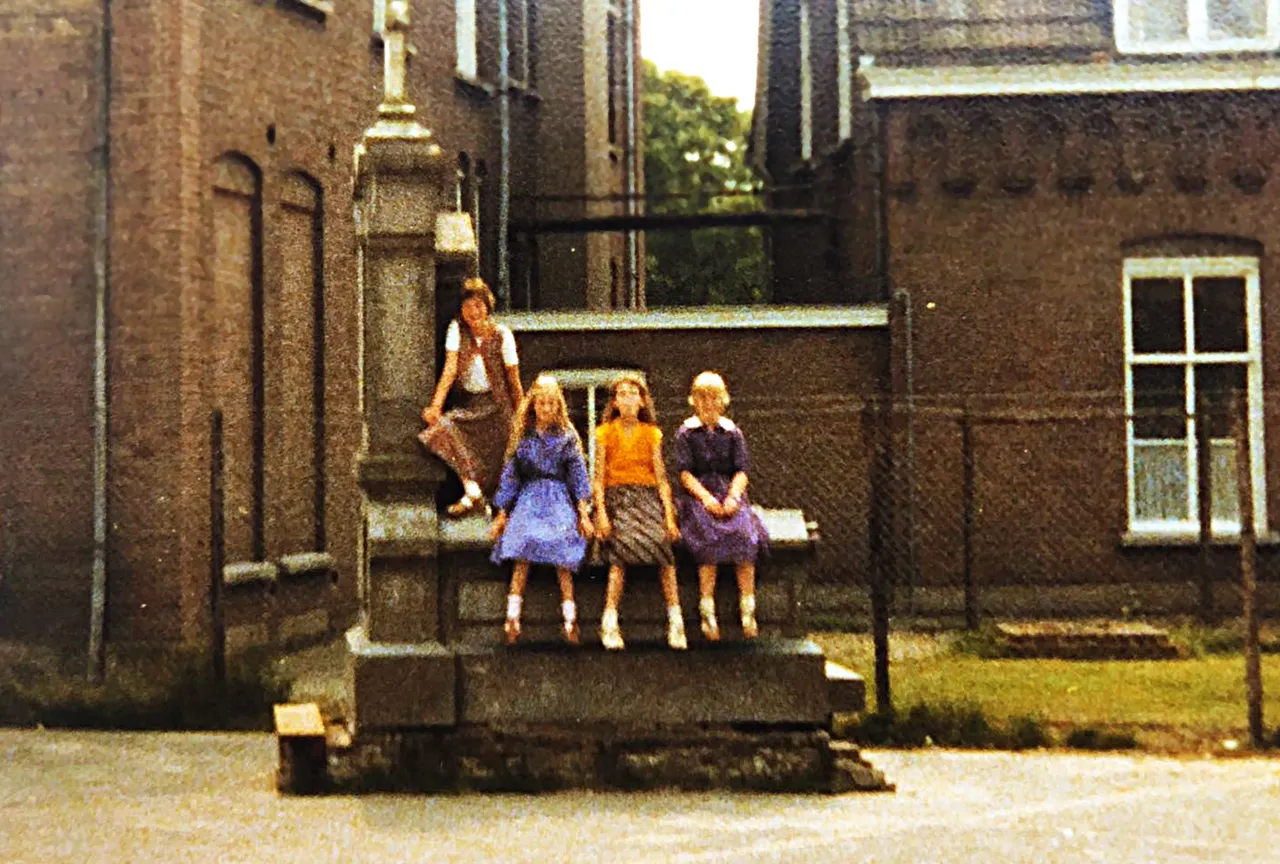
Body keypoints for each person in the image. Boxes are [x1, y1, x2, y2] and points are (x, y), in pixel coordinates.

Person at [490, 374, 594, 646]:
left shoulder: (567, 438)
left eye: (552, 404)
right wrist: (502, 513)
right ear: (533, 405)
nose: (547, 409)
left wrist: (583, 511)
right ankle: (512, 616)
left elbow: (578, 475)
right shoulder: (523, 437)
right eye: (542, 403)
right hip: (530, 499)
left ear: (558, 406)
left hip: (558, 497)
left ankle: (570, 617)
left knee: (563, 550)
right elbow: (511, 476)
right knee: (522, 547)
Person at [593, 374, 687, 651]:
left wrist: (669, 517)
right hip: (618, 497)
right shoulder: (605, 433)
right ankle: (609, 620)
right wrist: (601, 513)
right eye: (622, 394)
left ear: (643, 400)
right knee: (621, 550)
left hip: (646, 497)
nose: (628, 399)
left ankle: (675, 619)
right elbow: (598, 480)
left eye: (633, 393)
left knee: (662, 547)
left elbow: (661, 479)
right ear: (615, 402)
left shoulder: (652, 434)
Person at [675, 371, 768, 641]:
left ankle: (748, 609)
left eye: (714, 397)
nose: (708, 403)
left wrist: (733, 497)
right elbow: (684, 473)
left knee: (744, 535)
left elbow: (741, 471)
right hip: (698, 497)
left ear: (723, 400)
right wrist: (706, 498)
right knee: (708, 537)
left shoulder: (733, 433)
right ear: (694, 400)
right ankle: (707, 612)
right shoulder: (686, 433)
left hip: (728, 493)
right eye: (702, 397)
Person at [419, 278, 523, 517]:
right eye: (468, 307)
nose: (473, 312)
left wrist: (522, 415)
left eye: (478, 306)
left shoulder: (502, 335)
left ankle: (494, 506)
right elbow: (450, 369)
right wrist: (435, 405)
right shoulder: (457, 330)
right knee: (443, 429)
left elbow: (513, 381)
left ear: (487, 307)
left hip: (497, 408)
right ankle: (472, 491)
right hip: (470, 405)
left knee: (506, 451)